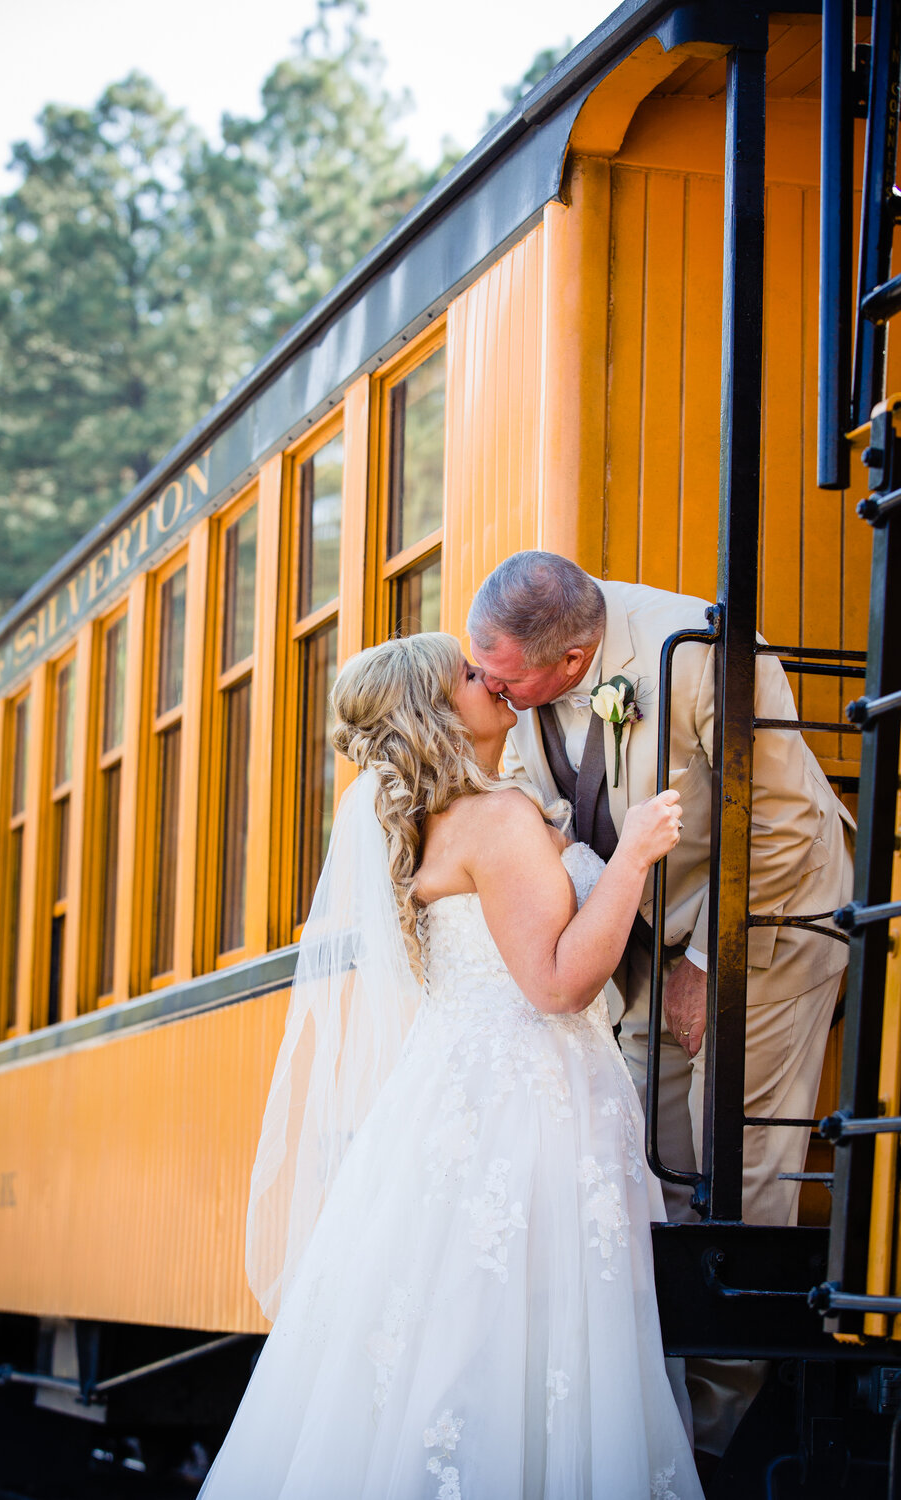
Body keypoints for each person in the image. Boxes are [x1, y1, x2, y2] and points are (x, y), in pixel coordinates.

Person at [199, 632, 702, 1500]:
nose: (492, 677)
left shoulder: (432, 826)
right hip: (533, 1103)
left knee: (459, 1336)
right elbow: (554, 986)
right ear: (438, 713)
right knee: (540, 1334)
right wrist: (633, 856)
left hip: (454, 1098)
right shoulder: (499, 820)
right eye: (470, 674)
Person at [467, 550, 854, 1456]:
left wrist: (709, 962)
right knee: (649, 1176)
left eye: (502, 674)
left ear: (571, 663)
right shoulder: (521, 684)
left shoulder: (703, 650)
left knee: (738, 1177)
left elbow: (789, 825)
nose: (483, 685)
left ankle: (706, 1449)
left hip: (764, 932)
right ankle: (648, 1420)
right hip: (641, 948)